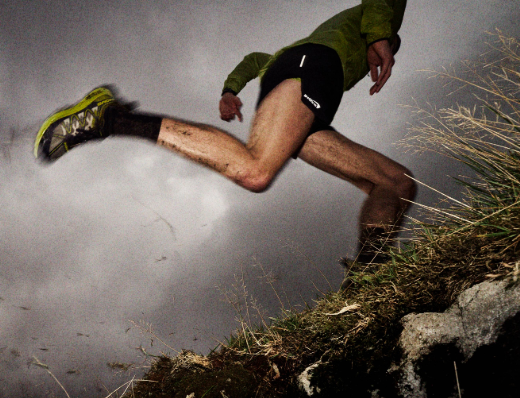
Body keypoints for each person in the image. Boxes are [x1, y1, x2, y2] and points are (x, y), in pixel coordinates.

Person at [34, 0, 415, 273]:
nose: (377, 63)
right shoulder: (365, 28)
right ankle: (108, 118)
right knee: (256, 171)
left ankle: (370, 279)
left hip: (309, 94)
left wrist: (231, 90)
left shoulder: (302, 56)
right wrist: (383, 35)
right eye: (384, 52)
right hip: (314, 66)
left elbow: (257, 60)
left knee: (396, 183)